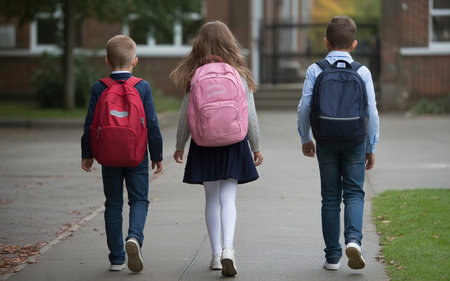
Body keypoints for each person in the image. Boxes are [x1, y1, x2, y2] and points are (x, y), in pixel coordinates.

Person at [170, 21, 263, 277]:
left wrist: (180, 145)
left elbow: (185, 115)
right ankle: (228, 250)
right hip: (234, 141)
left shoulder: (195, 75)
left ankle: (214, 254)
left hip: (204, 142)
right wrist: (256, 145)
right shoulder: (238, 74)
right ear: (229, 43)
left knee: (211, 198)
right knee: (228, 198)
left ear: (199, 45)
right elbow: (251, 115)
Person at [297, 16, 379, 271]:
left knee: (330, 196)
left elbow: (304, 108)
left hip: (326, 139)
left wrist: (305, 138)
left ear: (326, 42)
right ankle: (353, 241)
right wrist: (371, 147)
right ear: (354, 44)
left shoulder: (315, 69)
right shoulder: (362, 72)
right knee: (354, 192)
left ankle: (332, 257)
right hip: (355, 139)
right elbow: (372, 113)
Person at [81, 35, 163, 273]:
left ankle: (116, 258)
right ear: (135, 61)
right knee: (139, 200)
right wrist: (156, 155)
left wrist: (87, 153)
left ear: (107, 61)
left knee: (113, 203)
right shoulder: (142, 86)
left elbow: (90, 124)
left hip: (108, 155)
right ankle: (134, 238)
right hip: (136, 154)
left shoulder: (100, 87)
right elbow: (152, 124)